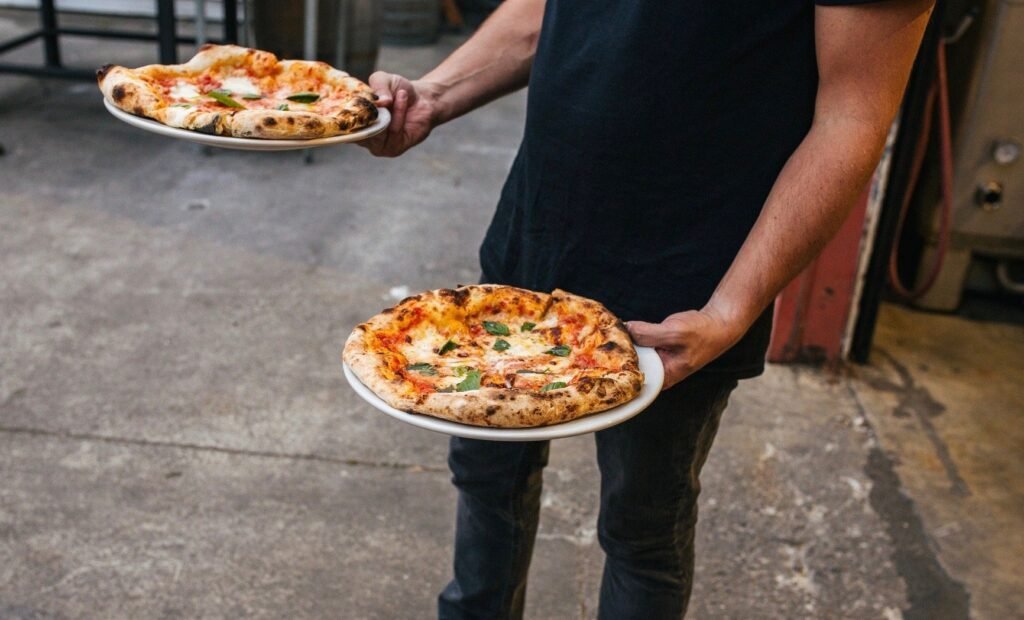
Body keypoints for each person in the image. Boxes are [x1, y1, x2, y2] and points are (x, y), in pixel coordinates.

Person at [360, 0, 934, 617]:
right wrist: (434, 93)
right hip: (536, 238)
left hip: (686, 282)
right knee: (486, 477)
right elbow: (547, 13)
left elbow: (852, 117)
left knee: (642, 527)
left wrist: (730, 308)